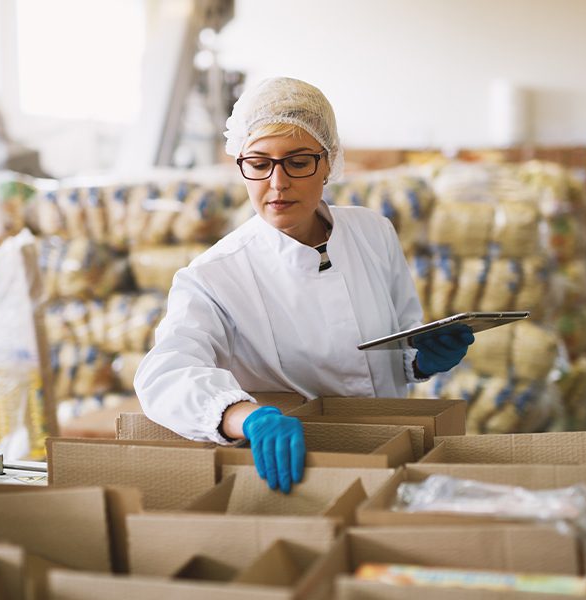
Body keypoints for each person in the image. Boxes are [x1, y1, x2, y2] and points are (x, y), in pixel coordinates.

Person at [134, 77, 473, 494]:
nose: (277, 183)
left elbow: (399, 342)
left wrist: (424, 359)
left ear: (328, 162)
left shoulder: (373, 233)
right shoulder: (213, 276)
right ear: (241, 163)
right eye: (259, 164)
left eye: (297, 162)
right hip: (302, 472)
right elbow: (164, 374)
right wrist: (246, 416)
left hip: (400, 451)